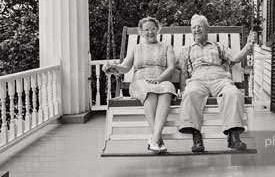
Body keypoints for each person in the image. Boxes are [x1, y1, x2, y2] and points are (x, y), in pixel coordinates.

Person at [178, 14, 256, 152]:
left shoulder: (219, 46)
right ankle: (196, 138)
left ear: (207, 29)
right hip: (197, 79)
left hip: (220, 78)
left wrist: (248, 46)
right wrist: (183, 89)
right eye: (193, 27)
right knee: (190, 94)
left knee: (233, 93)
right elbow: (183, 72)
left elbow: (236, 58)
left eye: (200, 26)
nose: (196, 29)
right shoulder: (186, 49)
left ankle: (233, 136)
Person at [103, 17, 176, 153]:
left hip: (161, 79)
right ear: (141, 32)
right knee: (150, 92)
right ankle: (157, 139)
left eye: (153, 29)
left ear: (158, 30)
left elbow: (171, 67)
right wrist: (113, 67)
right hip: (140, 81)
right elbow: (125, 67)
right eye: (146, 29)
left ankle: (155, 139)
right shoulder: (136, 48)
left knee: (168, 90)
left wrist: (159, 79)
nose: (150, 32)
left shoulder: (166, 47)